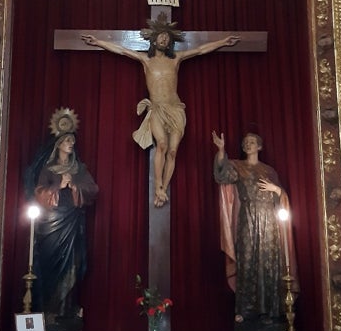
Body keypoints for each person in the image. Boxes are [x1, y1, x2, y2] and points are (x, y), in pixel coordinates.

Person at [82, 13, 239, 207]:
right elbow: (120, 50)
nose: (164, 39)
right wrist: (98, 42)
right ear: (154, 41)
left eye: (167, 37)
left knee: (172, 152)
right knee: (162, 145)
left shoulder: (176, 59)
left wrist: (223, 41)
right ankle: (157, 187)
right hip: (156, 108)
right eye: (161, 37)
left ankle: (163, 188)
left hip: (175, 109)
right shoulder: (145, 60)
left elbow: (200, 50)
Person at [212, 130, 297, 331]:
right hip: (248, 220)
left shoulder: (269, 171)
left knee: (269, 263)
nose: (249, 145)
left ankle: (272, 314)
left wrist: (277, 190)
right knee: (248, 263)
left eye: (253, 142)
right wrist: (221, 150)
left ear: (259, 147)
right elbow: (221, 175)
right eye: (246, 142)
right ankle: (248, 314)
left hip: (269, 220)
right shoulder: (237, 167)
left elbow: (281, 196)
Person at [28, 108, 99, 331]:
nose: (70, 144)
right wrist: (58, 187)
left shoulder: (79, 169)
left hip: (72, 225)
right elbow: (38, 193)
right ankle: (49, 312)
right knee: (52, 269)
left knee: (74, 264)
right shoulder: (48, 170)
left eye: (72, 141)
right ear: (58, 144)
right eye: (66, 140)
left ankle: (66, 311)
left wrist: (75, 187)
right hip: (52, 225)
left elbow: (93, 190)